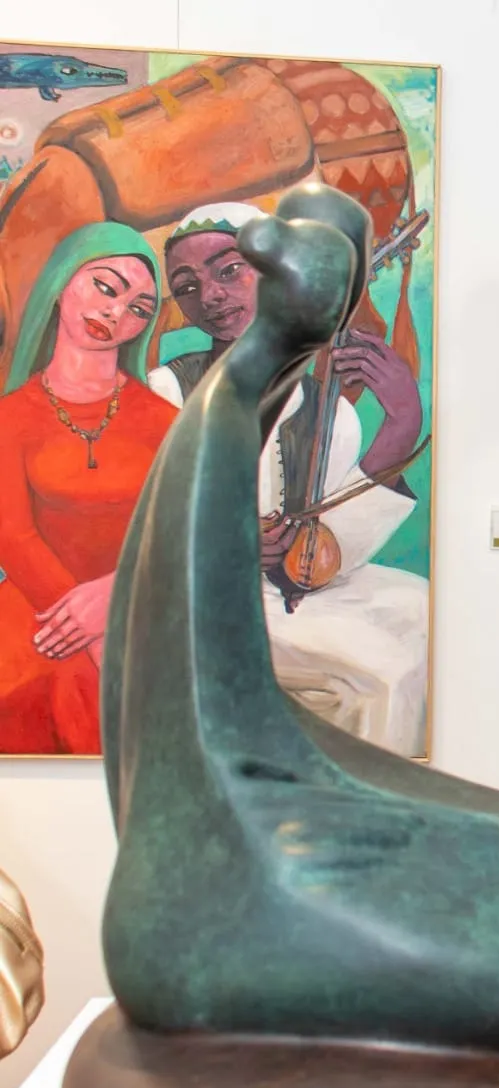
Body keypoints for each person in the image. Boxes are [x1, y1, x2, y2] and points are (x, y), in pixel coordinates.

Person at [148, 202, 430, 756]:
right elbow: (146, 517)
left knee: (420, 609)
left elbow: (326, 552)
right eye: (187, 287)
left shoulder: (326, 405)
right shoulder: (169, 391)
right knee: (384, 673)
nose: (210, 296)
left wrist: (402, 424)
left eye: (230, 270)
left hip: (292, 594)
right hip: (208, 596)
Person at [0, 223, 176, 753]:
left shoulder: (165, 421)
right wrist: (95, 639)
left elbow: (185, 534)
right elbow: (14, 538)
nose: (116, 312)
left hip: (140, 604)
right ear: (61, 282)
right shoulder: (11, 417)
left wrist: (116, 599)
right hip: (38, 612)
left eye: (140, 308)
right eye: (105, 286)